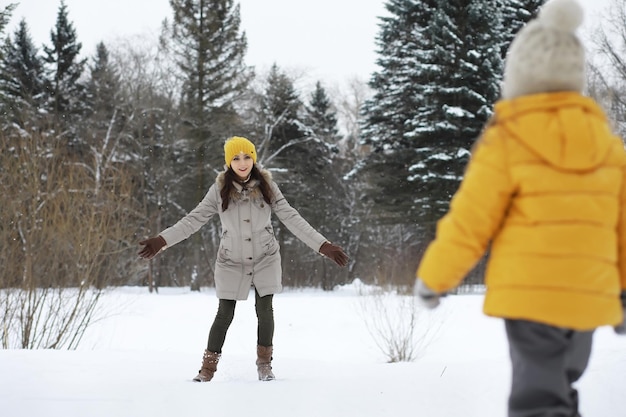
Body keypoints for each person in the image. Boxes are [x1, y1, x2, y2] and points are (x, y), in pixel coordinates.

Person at [413, 0, 626, 416]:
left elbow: (470, 221)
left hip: (530, 300)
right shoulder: (608, 146)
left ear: (519, 77)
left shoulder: (507, 140)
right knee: (561, 391)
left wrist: (434, 278)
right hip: (587, 299)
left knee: (537, 401)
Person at [138, 136, 349, 382]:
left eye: (247, 156)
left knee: (265, 308)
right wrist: (162, 240)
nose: (242, 162)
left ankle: (264, 365)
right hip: (231, 259)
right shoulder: (218, 190)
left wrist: (323, 245)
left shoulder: (267, 186)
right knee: (224, 313)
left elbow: (291, 217)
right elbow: (193, 220)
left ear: (254, 158)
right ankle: (207, 370)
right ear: (228, 162)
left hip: (265, 256)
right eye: (236, 158)